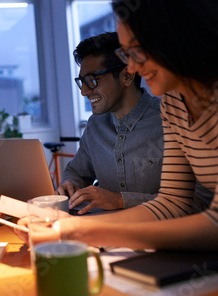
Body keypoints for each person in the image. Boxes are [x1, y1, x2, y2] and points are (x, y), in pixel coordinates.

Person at [18, 0, 218, 251]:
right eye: (126, 54)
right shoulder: (174, 103)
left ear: (177, 36)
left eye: (137, 51)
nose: (132, 68)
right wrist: (69, 227)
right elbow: (172, 202)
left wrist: (82, 232)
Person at [57, 32, 163, 215]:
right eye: (82, 82)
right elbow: (77, 171)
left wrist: (119, 200)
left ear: (127, 76)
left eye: (92, 80)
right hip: (106, 234)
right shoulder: (95, 125)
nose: (83, 92)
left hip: (162, 237)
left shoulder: (168, 121)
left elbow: (189, 202)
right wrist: (71, 184)